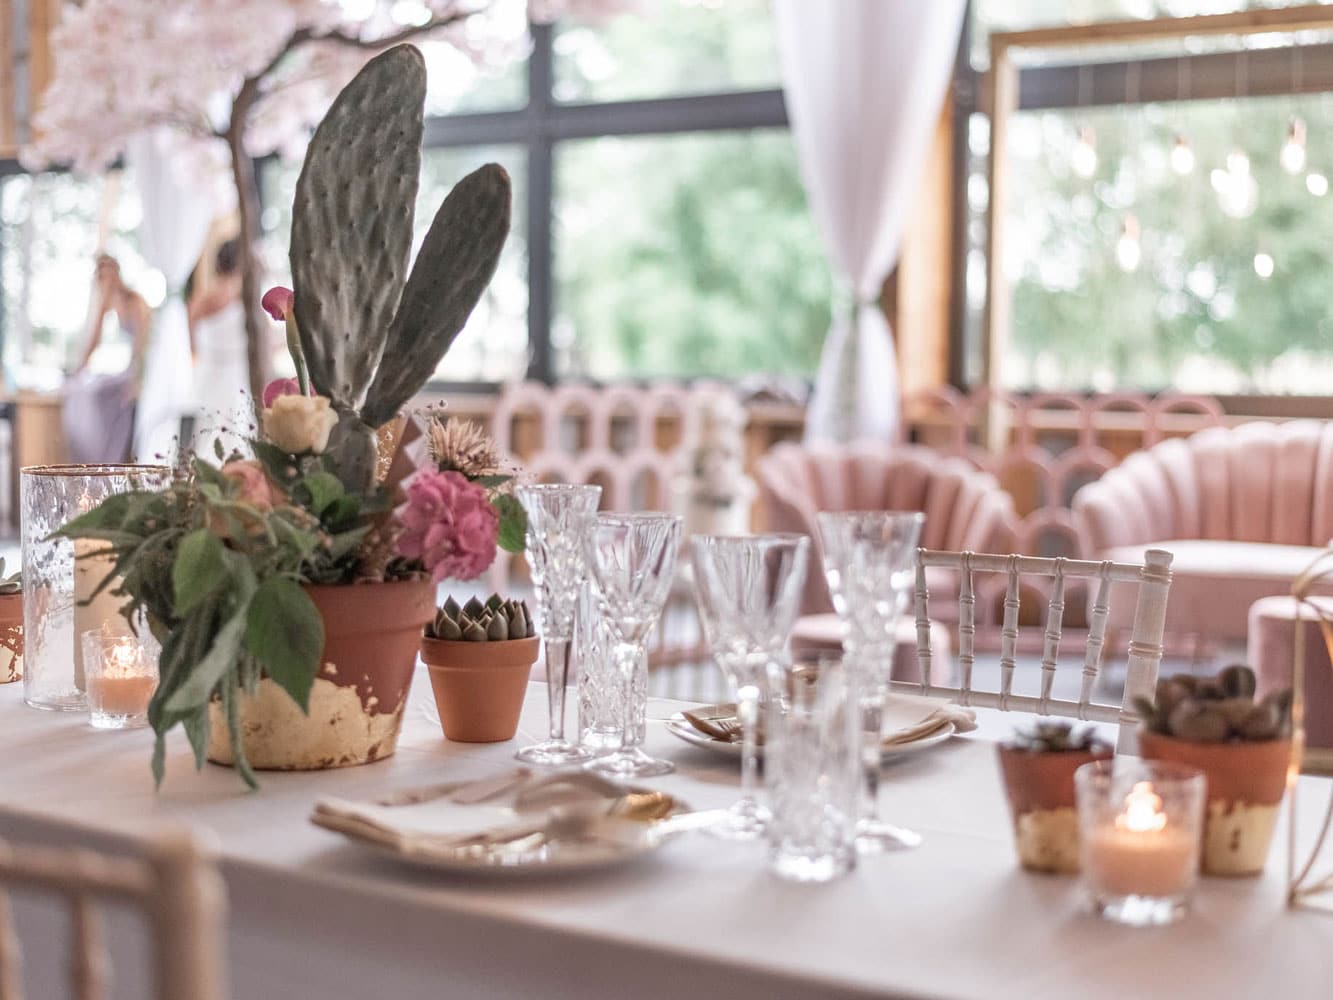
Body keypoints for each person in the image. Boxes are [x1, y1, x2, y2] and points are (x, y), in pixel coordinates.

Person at [62, 255, 151, 463]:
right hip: (126, 369)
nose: (107, 281)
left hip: (141, 368)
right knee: (80, 389)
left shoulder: (136, 301)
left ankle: (110, 456)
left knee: (106, 394)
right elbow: (94, 340)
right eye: (102, 277)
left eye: (109, 275)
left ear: (118, 274)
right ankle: (90, 456)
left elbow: (143, 345)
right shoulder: (107, 303)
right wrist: (80, 369)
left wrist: (137, 379)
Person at [187, 237, 253, 458]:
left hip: (207, 373)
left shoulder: (202, 297)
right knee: (235, 434)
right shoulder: (244, 296)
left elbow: (190, 336)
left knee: (207, 432)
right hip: (235, 376)